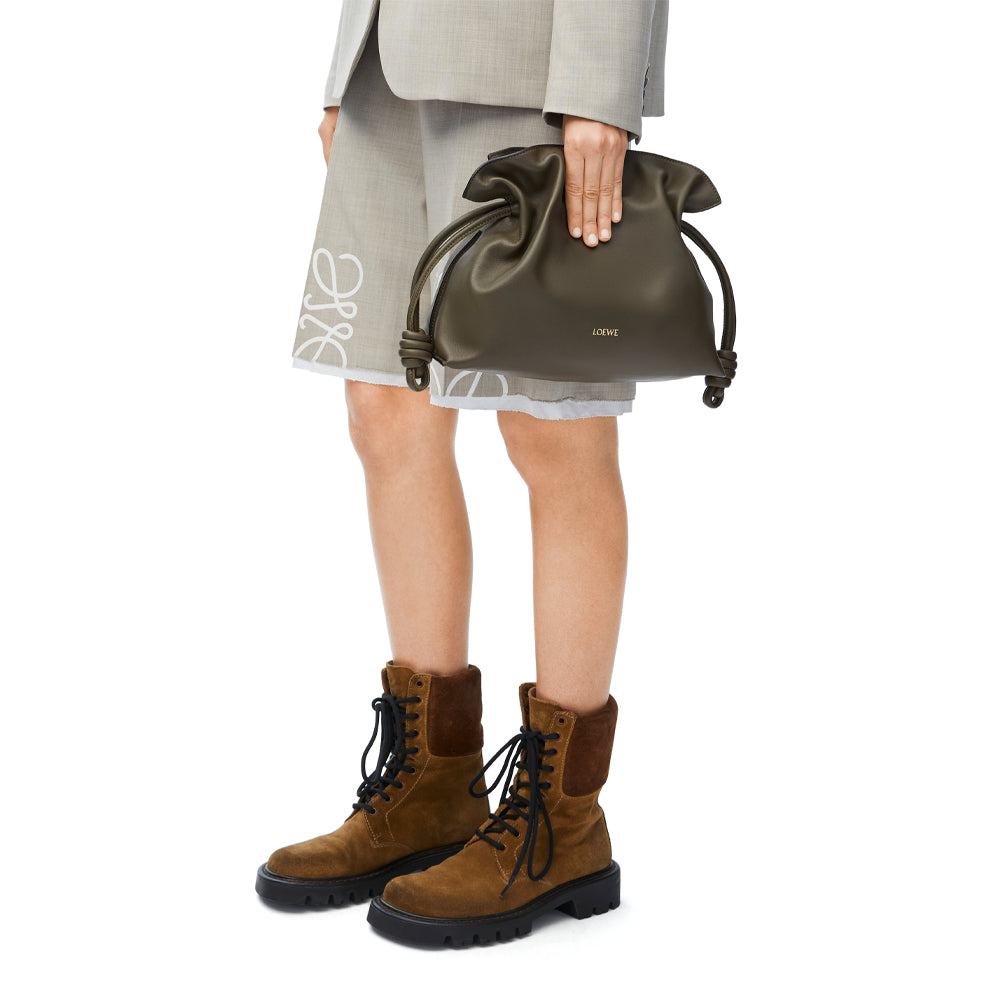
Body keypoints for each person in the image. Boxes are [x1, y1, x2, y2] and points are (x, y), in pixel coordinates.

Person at [256, 0, 669, 946]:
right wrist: (345, 68)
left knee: (551, 428)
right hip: (388, 66)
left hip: (531, 73)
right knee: (383, 407)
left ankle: (564, 822)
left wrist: (599, 91)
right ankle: (433, 785)